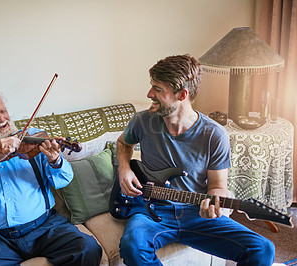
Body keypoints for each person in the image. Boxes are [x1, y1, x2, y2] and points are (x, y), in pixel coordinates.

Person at [116, 54, 275, 265]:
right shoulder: (142, 121)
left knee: (263, 249)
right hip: (151, 209)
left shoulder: (215, 135)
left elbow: (218, 186)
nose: (149, 94)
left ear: (182, 95)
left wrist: (213, 202)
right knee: (132, 246)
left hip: (194, 212)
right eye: (152, 86)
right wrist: (124, 169)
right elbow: (123, 144)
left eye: (158, 89)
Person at [0, 89, 102, 265]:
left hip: (46, 227)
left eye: (2, 111)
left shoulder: (34, 138)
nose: (2, 119)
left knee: (88, 248)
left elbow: (64, 179)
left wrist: (55, 160)